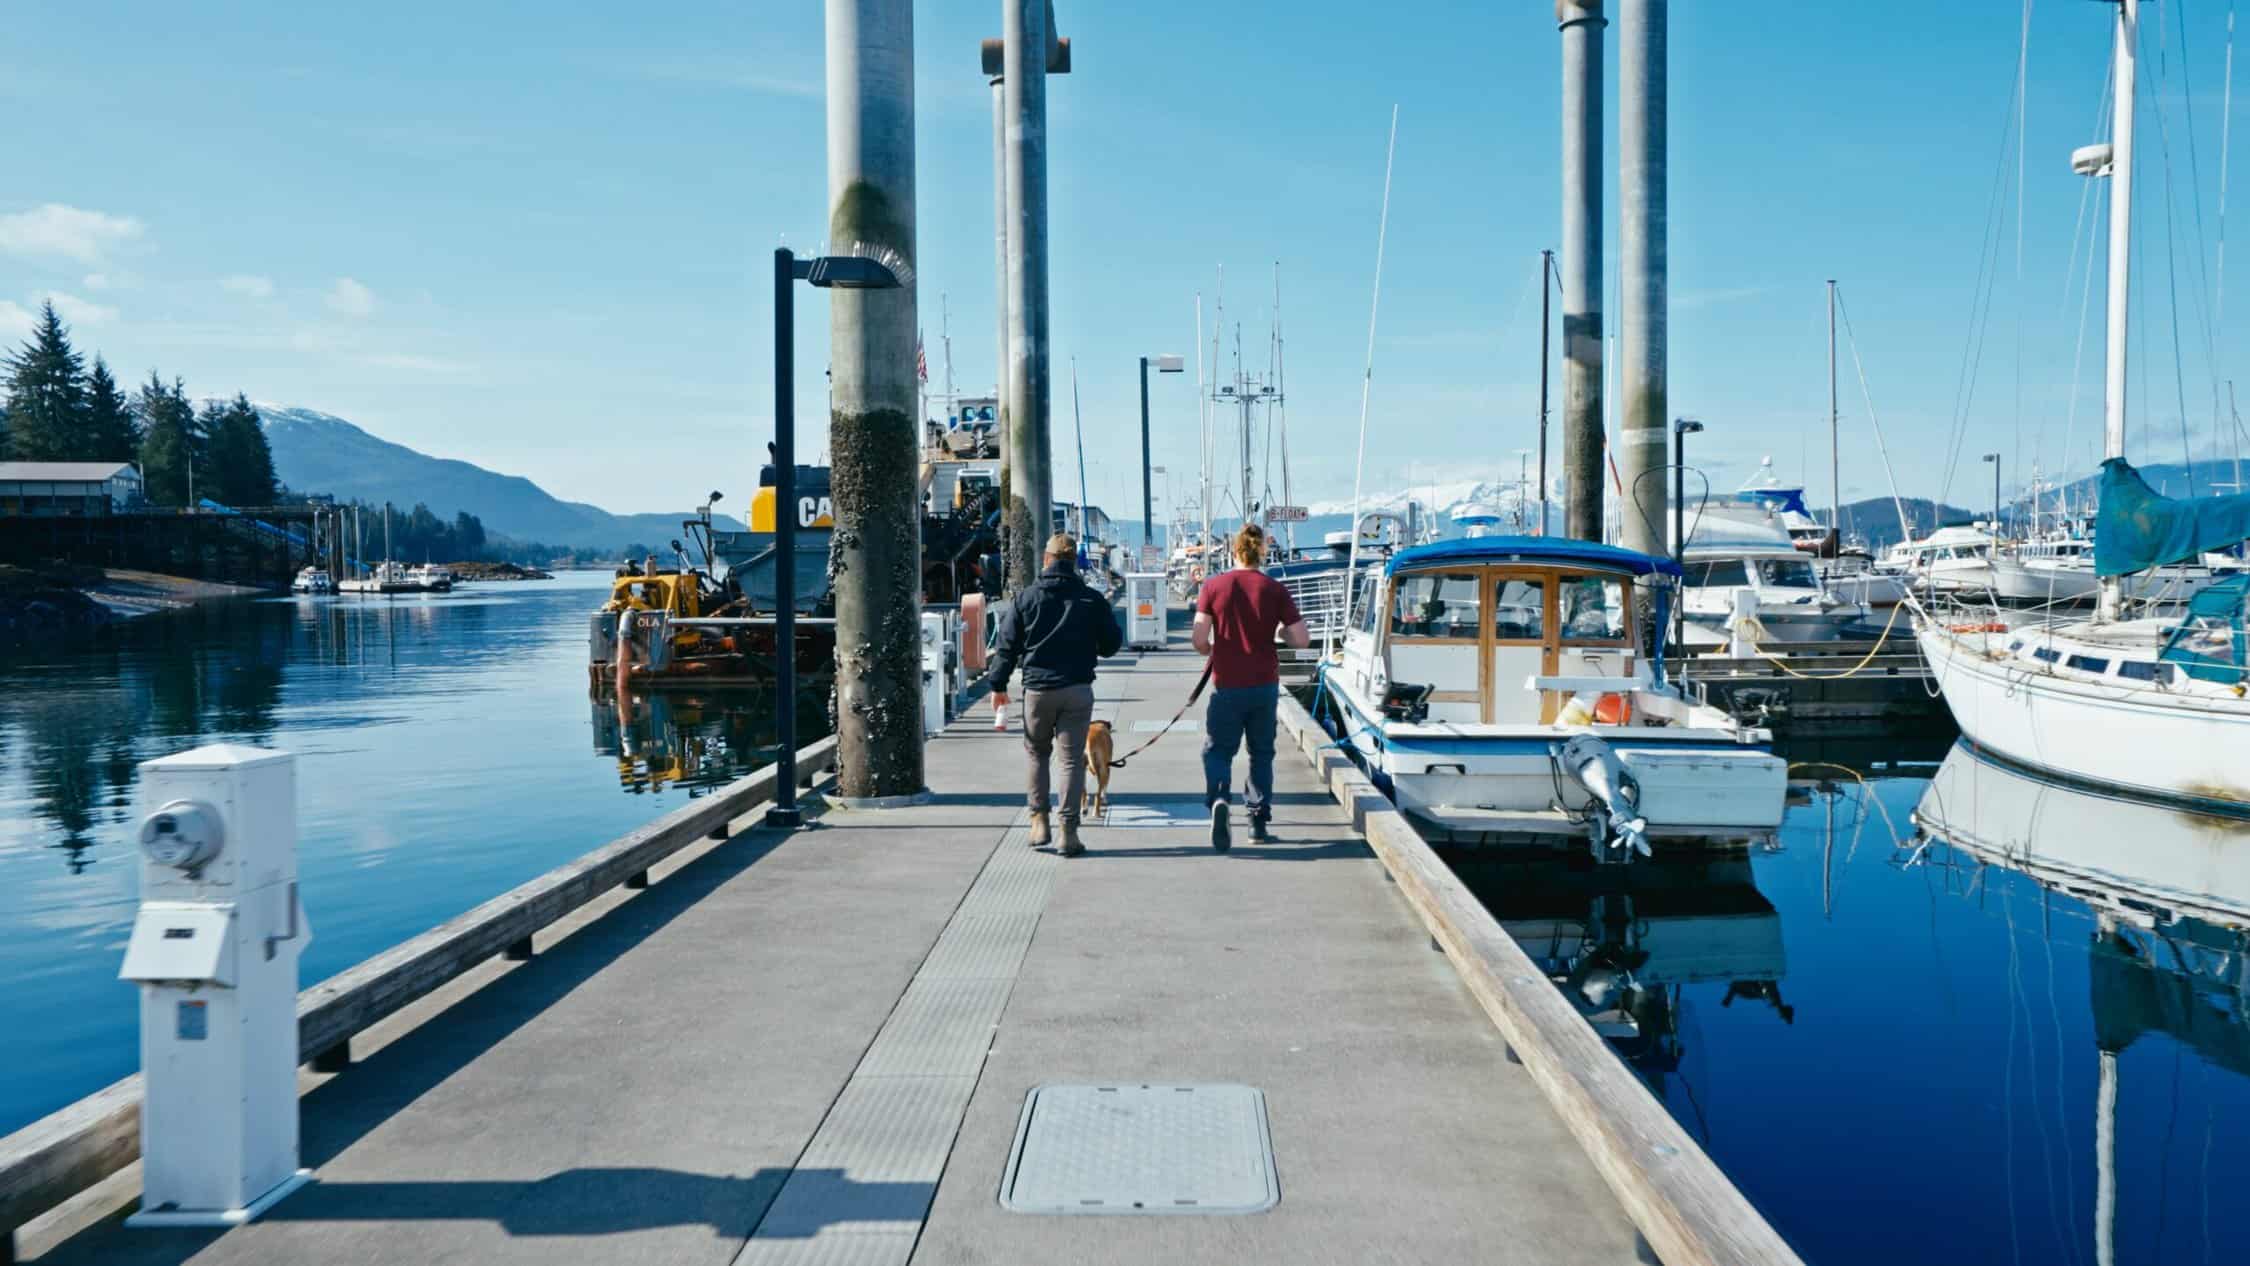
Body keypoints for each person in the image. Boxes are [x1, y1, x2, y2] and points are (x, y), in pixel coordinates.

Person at [988, 533, 1123, 857]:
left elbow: (1006, 648)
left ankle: (1038, 822)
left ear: (1046, 559)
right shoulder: (1091, 599)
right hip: (1076, 690)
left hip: (1037, 691)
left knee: (1037, 755)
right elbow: (1111, 645)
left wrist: (997, 685)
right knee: (1072, 761)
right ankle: (1068, 832)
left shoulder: (1026, 599)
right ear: (1074, 561)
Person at [1192, 523, 1311, 850]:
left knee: (1217, 750)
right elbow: (1301, 639)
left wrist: (1211, 650)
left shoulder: (1214, 587)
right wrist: (1281, 634)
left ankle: (1219, 798)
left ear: (1233, 552)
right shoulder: (1275, 589)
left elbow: (1199, 638)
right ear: (1262, 552)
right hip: (1264, 685)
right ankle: (1257, 824)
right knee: (1261, 754)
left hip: (1227, 684)